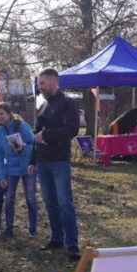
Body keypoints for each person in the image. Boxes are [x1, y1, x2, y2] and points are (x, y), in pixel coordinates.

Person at [34, 68, 80, 260]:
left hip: (59, 160)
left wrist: (47, 135)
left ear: (53, 81)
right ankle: (56, 238)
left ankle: (72, 244)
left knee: (64, 202)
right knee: (50, 202)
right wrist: (32, 160)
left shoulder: (68, 102)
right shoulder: (43, 104)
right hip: (42, 161)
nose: (40, 87)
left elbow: (73, 129)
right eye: (39, 84)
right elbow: (36, 133)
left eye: (42, 83)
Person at [0, 103, 37, 238]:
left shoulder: (21, 126)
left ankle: (33, 229)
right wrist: (0, 176)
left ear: (9, 113)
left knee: (30, 198)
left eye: (2, 113)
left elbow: (34, 145)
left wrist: (22, 148)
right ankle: (9, 228)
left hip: (28, 167)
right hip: (10, 169)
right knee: (10, 198)